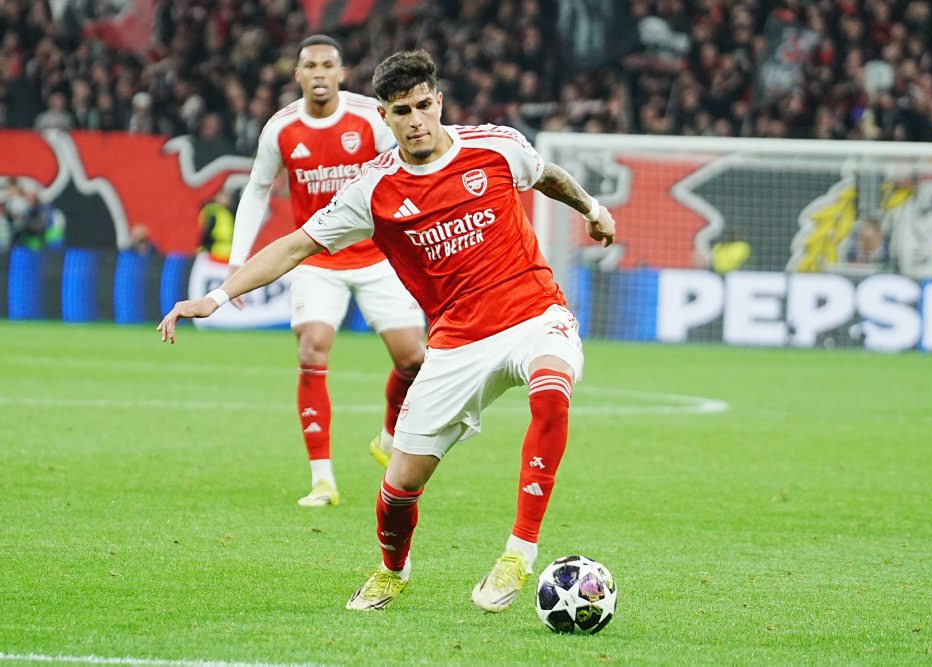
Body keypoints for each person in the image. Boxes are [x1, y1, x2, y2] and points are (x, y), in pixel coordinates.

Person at [158, 49, 615, 614]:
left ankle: (518, 553)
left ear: (439, 101)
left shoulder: (497, 147)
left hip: (534, 315)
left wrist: (593, 210)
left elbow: (548, 176)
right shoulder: (372, 190)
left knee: (551, 393)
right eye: (402, 111)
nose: (416, 120)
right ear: (384, 115)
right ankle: (392, 571)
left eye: (424, 105)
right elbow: (296, 246)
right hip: (455, 343)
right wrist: (216, 296)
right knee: (399, 488)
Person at [226, 35, 426, 509]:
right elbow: (257, 189)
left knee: (414, 360)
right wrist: (238, 260)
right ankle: (322, 480)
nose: (319, 73)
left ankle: (388, 436)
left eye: (327, 65)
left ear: (341, 73)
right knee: (312, 347)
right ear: (297, 75)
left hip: (378, 255)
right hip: (316, 258)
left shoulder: (370, 117)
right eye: (310, 65)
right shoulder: (281, 128)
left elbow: (405, 171)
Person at [197, 189, 236, 263]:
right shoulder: (211, 212)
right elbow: (205, 232)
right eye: (223, 196)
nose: (227, 198)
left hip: (228, 253)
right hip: (214, 252)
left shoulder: (228, 212)